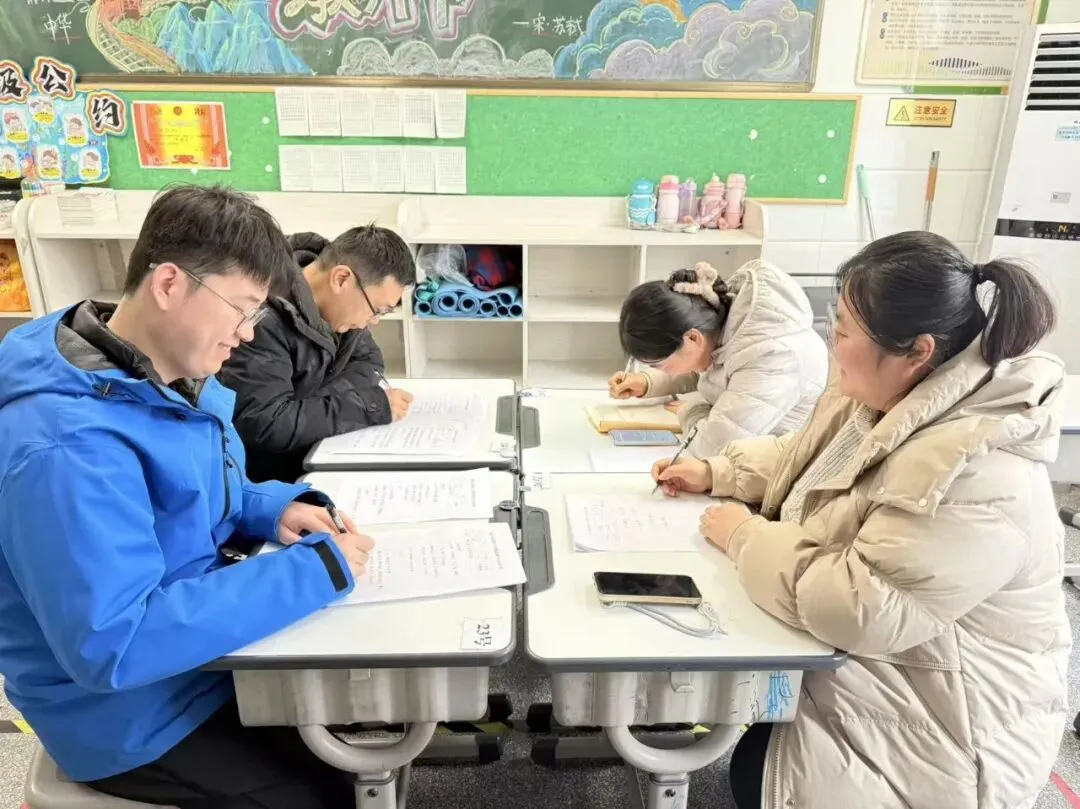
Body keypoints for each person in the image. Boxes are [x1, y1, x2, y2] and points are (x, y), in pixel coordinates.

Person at [654, 232, 1070, 809]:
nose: (831, 342)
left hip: (949, 729)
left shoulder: (978, 470)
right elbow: (809, 460)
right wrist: (718, 470)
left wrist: (745, 536)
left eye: (844, 330)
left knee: (755, 770)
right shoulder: (889, 397)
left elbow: (860, 607)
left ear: (917, 352)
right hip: (886, 673)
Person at [0, 185, 375, 809]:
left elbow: (199, 493)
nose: (248, 334)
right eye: (242, 309)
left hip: (199, 665)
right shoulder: (65, 447)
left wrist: (271, 507)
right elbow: (114, 643)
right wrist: (310, 574)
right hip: (132, 718)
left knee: (349, 741)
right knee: (322, 794)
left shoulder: (160, 373)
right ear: (170, 284)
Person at [219, 226, 416, 482]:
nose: (374, 321)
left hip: (315, 452)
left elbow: (370, 362)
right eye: (376, 309)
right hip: (270, 481)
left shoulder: (341, 313)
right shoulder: (261, 318)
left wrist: (308, 407)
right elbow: (267, 425)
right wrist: (367, 406)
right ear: (341, 279)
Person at [608, 259, 828, 458]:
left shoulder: (772, 358)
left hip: (779, 470)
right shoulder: (727, 328)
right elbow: (711, 367)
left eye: (660, 364)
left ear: (692, 338)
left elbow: (714, 448)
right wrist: (647, 381)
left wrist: (690, 410)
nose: (661, 370)